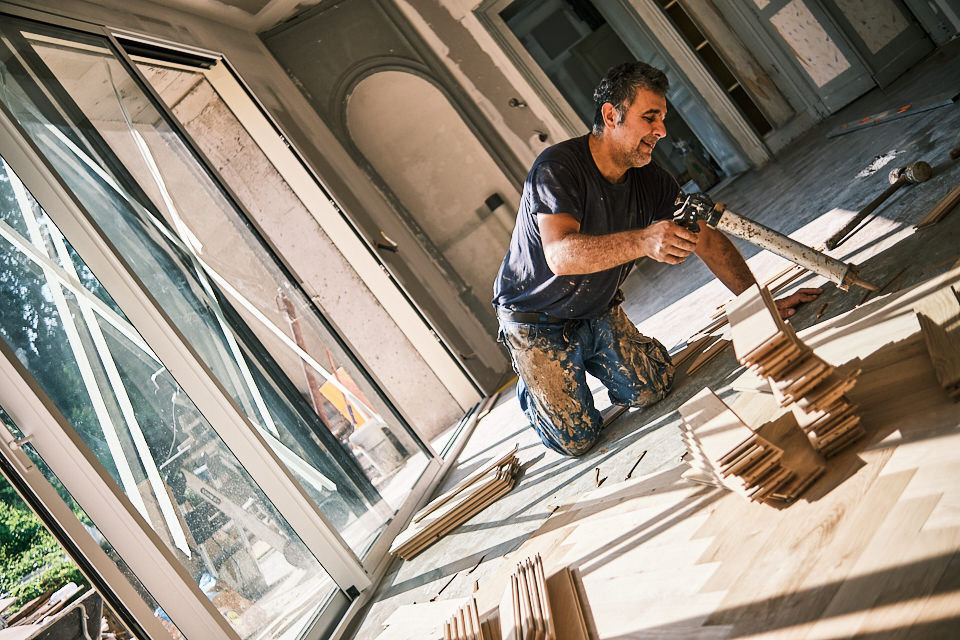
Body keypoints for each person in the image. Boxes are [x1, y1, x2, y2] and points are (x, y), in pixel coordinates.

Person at [492, 61, 820, 456]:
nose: (661, 131)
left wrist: (761, 305)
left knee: (654, 387)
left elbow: (707, 241)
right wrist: (645, 240)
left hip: (595, 307)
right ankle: (536, 386)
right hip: (535, 318)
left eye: (662, 119)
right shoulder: (557, 168)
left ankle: (595, 346)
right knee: (576, 440)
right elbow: (560, 255)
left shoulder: (651, 180)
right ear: (611, 115)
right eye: (650, 117)